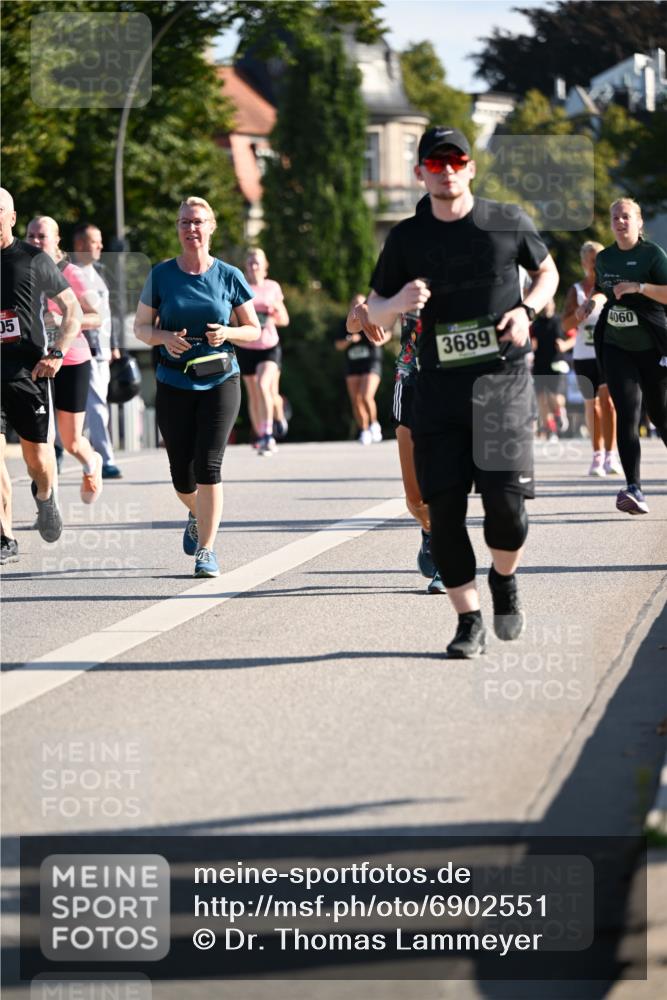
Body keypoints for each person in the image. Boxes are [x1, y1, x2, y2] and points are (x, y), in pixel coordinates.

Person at [366, 126, 559, 658]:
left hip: (502, 385)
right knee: (444, 512)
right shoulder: (405, 237)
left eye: (455, 160)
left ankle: (503, 579)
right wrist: (398, 301)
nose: (446, 170)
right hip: (437, 393)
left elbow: (547, 272)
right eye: (435, 162)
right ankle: (468, 619)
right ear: (420, 172)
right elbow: (373, 310)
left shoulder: (506, 220)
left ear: (470, 166)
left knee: (507, 512)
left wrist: (527, 310)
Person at [134, 196, 260, 577]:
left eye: (199, 222)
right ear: (178, 228)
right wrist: (164, 338)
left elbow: (254, 329)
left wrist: (229, 332)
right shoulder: (161, 275)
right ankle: (196, 512)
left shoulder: (229, 276)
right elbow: (140, 328)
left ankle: (206, 550)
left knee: (209, 465)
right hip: (173, 381)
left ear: (211, 227)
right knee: (181, 474)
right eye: (185, 222)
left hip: (221, 378)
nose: (192, 228)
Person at [0, 188, 83, 564]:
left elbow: (72, 310)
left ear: (12, 217)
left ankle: (46, 495)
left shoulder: (34, 260)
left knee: (38, 460)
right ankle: (4, 535)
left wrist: (57, 352)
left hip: (27, 371)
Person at [583, 198, 667, 514]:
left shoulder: (652, 255)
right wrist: (592, 302)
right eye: (616, 217)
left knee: (660, 416)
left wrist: (640, 287)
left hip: (653, 348)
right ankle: (634, 489)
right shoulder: (604, 258)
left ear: (639, 222)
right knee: (627, 413)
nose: (620, 222)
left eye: (626, 217)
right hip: (617, 347)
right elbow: (602, 288)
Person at [25, 217, 104, 505]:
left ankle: (91, 462)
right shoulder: (23, 270)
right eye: (30, 235)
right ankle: (48, 505)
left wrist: (65, 320)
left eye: (41, 236)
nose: (34, 241)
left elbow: (97, 317)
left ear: (56, 240)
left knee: (70, 441)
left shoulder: (72, 273)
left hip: (71, 360)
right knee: (41, 439)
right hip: (36, 362)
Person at [390, 305, 446, 595]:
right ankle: (428, 530)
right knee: (414, 498)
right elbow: (369, 313)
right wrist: (361, 314)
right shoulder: (403, 269)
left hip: (453, 378)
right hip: (411, 379)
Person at [561, 241, 622, 476]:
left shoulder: (609, 287)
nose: (595, 264)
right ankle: (597, 456)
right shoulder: (575, 290)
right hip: (584, 354)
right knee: (593, 405)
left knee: (609, 403)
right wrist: (578, 315)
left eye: (598, 259)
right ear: (583, 262)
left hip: (607, 352)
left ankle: (611, 455)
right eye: (591, 259)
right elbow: (564, 323)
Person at [72, 223, 123, 479]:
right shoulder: (70, 274)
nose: (101, 246)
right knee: (97, 406)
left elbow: (109, 313)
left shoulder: (100, 272)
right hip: (85, 348)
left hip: (103, 351)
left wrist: (114, 344)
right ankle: (106, 459)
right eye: (95, 242)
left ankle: (71, 450)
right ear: (81, 244)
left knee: (94, 405)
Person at [234, 248, 289, 456]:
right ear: (246, 267)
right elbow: (232, 318)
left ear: (265, 266)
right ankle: (259, 434)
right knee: (255, 394)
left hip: (269, 346)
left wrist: (274, 310)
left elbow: (284, 320)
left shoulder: (272, 287)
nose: (254, 266)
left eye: (257, 262)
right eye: (250, 263)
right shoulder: (240, 286)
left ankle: (268, 434)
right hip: (247, 346)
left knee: (264, 385)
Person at [335, 294, 386, 445]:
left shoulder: (373, 319)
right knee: (356, 400)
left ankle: (374, 424)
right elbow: (338, 345)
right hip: (353, 365)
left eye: (361, 303)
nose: (358, 306)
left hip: (371, 363)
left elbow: (381, 338)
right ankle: (363, 430)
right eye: (355, 304)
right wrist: (350, 339)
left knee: (365, 395)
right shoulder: (346, 324)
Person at [530, 299, 574, 440]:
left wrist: (565, 345)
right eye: (544, 303)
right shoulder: (535, 324)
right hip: (539, 364)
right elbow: (530, 341)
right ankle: (551, 430)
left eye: (549, 302)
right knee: (541, 399)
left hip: (557, 363)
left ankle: (560, 413)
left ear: (554, 304)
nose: (546, 305)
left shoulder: (560, 321)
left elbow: (575, 337)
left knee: (554, 397)